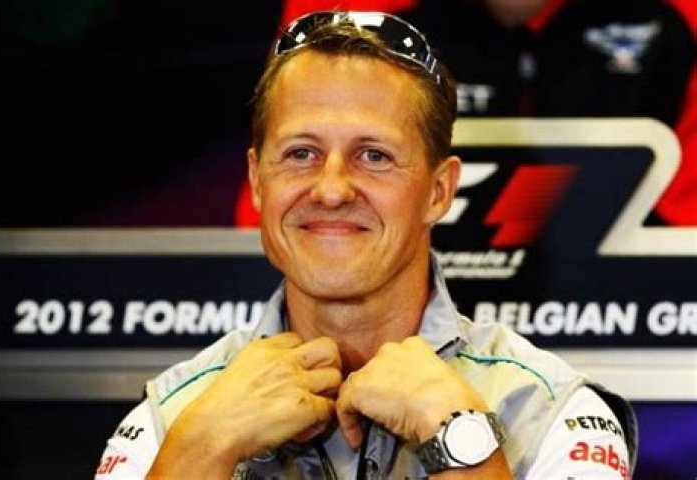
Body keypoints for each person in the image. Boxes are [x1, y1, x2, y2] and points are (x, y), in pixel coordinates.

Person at [95, 11, 637, 478]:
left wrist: (459, 437)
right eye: (301, 153)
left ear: (439, 191)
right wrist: (203, 448)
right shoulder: (174, 416)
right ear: (258, 182)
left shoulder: (550, 411)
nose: (331, 190)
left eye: (374, 156)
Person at [235, 0, 696, 227]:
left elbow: (684, 231)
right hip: (391, 314)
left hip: (620, 320)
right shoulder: (346, 15)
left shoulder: (679, 20)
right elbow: (278, 221)